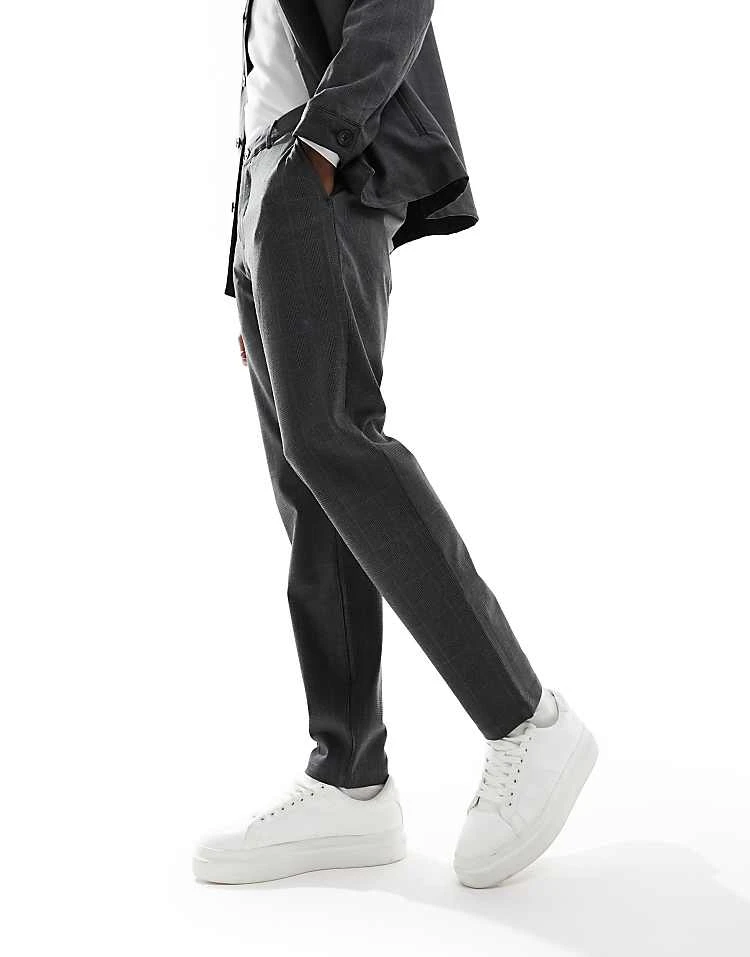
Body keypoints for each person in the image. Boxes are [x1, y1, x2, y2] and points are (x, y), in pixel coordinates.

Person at [193, 0, 597, 889]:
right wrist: (247, 252)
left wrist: (319, 147)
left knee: (334, 440)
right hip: (267, 190)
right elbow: (269, 67)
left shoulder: (318, 153)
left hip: (315, 168)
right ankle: (349, 775)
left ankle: (527, 720)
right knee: (312, 486)